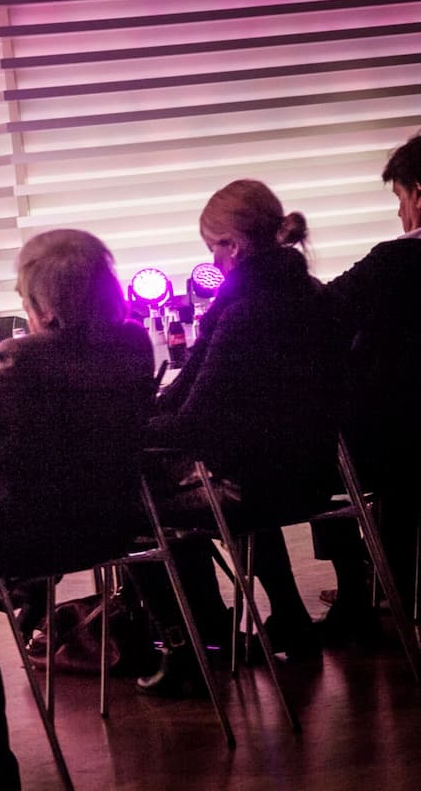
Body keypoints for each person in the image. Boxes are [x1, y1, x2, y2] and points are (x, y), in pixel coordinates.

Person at [134, 180, 344, 696]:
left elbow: (196, 416)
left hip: (259, 484)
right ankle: (286, 619)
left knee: (134, 507)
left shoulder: (246, 310)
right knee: (227, 469)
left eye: (213, 247)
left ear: (235, 245)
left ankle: (199, 642)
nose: (213, 261)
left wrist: (121, 433)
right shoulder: (309, 292)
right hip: (315, 472)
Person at [0, 228, 156, 600]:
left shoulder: (22, 359)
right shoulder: (134, 343)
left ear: (45, 307)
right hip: (112, 526)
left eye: (24, 298)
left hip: (12, 537)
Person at [315, 132, 421, 638]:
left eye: (400, 199)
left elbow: (319, 315)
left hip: (397, 439)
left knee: (317, 449)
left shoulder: (392, 264)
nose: (400, 214)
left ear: (417, 193)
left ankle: (357, 593)